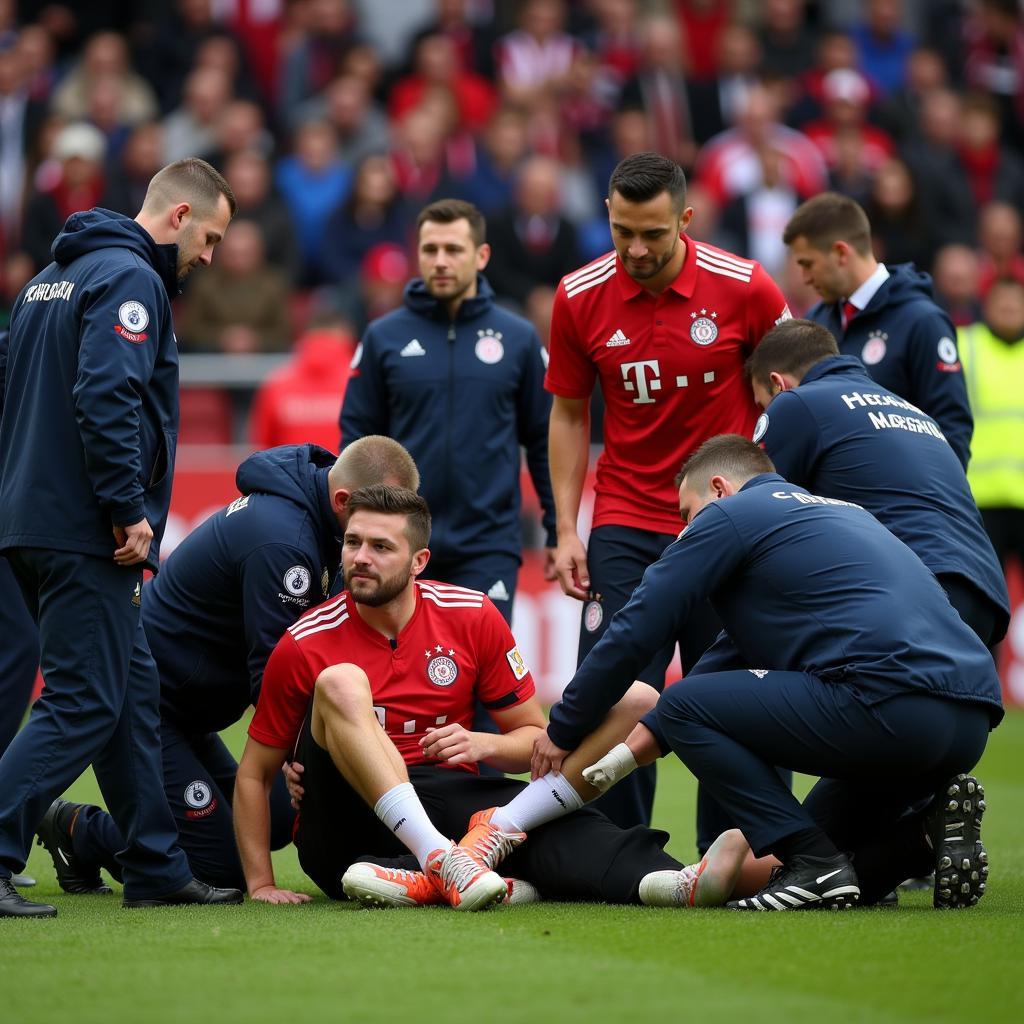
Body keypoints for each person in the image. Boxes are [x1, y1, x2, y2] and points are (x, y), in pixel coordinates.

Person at [489, 436, 1001, 911]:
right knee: (802, 857)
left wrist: (565, 727)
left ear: (720, 489)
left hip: (887, 704)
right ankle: (919, 842)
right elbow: (721, 664)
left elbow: (636, 628)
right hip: (967, 722)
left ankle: (813, 860)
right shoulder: (835, 520)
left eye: (687, 514)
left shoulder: (735, 513)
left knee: (688, 704)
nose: (686, 530)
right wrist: (621, 760)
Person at [233, 485, 713, 909]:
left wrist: (484, 746)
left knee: (632, 712)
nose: (360, 557)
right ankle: (444, 860)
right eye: (353, 543)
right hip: (348, 819)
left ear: (419, 562)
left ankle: (666, 882)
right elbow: (255, 774)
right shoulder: (304, 641)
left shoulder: (472, 615)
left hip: (453, 800)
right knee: (340, 681)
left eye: (381, 547)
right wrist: (260, 883)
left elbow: (537, 742)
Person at [0, 158, 238, 918]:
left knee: (131, 698)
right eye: (210, 237)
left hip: (30, 518)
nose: (210, 256)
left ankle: (156, 864)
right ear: (178, 218)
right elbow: (107, 394)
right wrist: (125, 506)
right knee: (83, 703)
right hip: (86, 531)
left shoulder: (49, 278)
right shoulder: (132, 281)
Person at [35, 438, 419, 896]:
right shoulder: (284, 541)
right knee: (219, 864)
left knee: (278, 816)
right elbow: (275, 674)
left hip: (188, 711)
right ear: (342, 501)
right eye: (380, 508)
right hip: (145, 707)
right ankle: (78, 829)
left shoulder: (318, 522)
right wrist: (311, 753)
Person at [545, 151, 791, 838]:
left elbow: (794, 391)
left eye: (653, 233)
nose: (636, 247)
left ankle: (746, 851)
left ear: (686, 218)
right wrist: (566, 528)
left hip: (730, 523)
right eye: (624, 230)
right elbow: (568, 413)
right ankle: (615, 853)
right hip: (625, 518)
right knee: (612, 691)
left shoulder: (747, 288)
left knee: (743, 693)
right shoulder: (578, 295)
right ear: (608, 217)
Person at [340, 198, 556, 626]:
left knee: (484, 683)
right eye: (430, 249)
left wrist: (559, 529)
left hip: (488, 541)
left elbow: (545, 441)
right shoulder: (384, 337)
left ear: (481, 255)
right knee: (402, 676)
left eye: (453, 250)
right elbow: (356, 441)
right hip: (400, 538)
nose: (440, 261)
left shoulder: (519, 338)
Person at [746, 318, 1009, 649]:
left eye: (762, 404)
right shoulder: (914, 413)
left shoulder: (798, 402)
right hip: (983, 592)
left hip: (914, 587)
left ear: (777, 384)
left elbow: (752, 511)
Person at [783, 191, 973, 468]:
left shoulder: (922, 321)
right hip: (834, 507)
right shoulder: (816, 321)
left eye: (808, 264)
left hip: (904, 505)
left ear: (840, 253)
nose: (805, 278)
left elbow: (952, 431)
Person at [958, 278, 1024, 579]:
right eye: (1002, 302)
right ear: (986, 306)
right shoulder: (963, 345)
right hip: (979, 499)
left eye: (1016, 302)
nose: (1010, 308)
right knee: (984, 596)